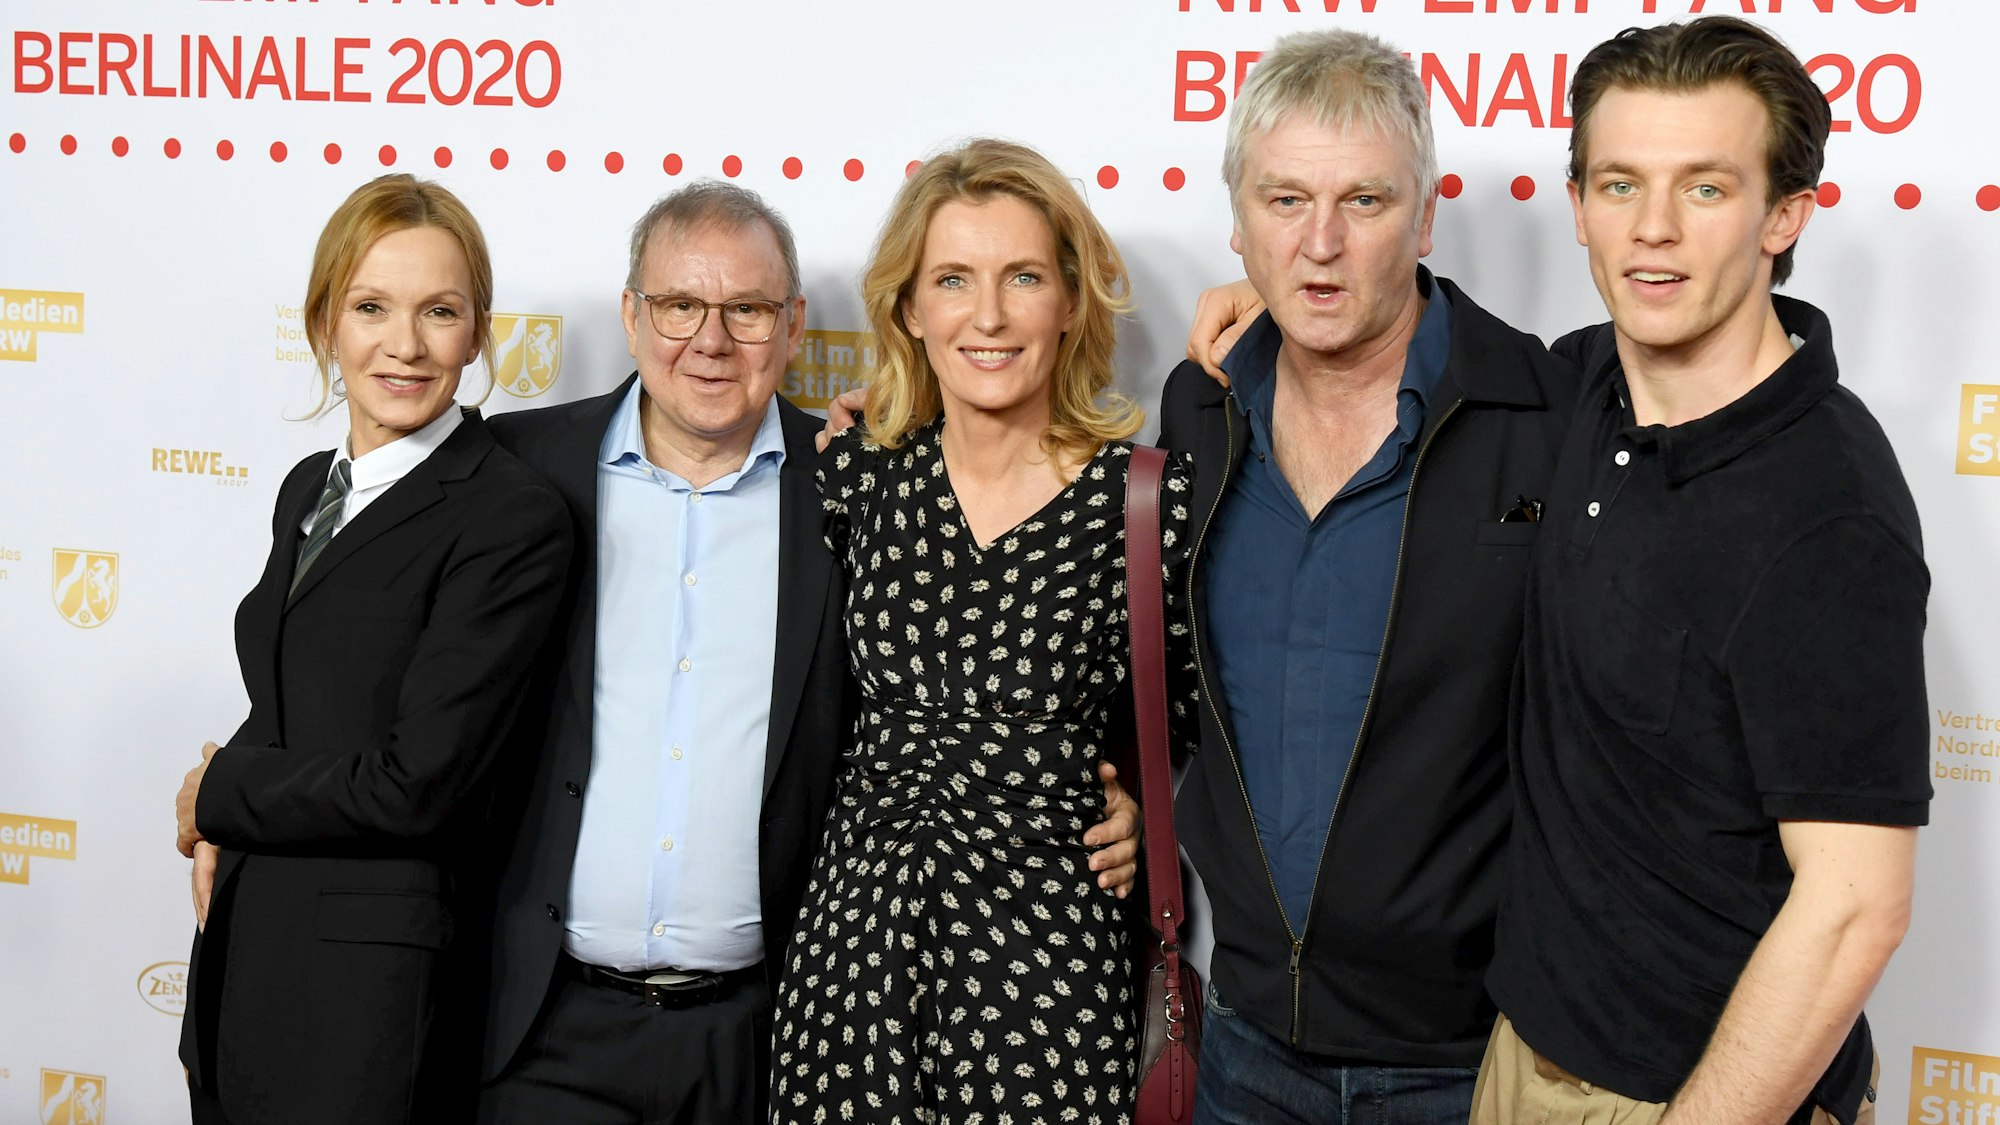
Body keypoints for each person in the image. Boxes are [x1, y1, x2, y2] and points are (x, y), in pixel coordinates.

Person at [476, 180, 1142, 1124]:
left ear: (793, 326)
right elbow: (392, 646)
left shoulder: (848, 478)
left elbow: (1059, 676)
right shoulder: (520, 466)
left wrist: (1136, 804)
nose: (710, 340)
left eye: (745, 309)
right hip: (549, 1025)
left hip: (775, 1022)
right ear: (631, 316)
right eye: (678, 306)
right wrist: (249, 777)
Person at [1474, 18, 1928, 1125]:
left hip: (1701, 1095)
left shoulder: (1826, 511)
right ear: (1576, 203)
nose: (1653, 231)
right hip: (1522, 1056)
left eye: (1705, 189)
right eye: (1620, 184)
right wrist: (1267, 326)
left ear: (1783, 216)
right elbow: (1395, 338)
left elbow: (1853, 907)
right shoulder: (1579, 388)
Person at [1156, 29, 1576, 1125]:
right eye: (1283, 201)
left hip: (1467, 1064)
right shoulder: (1197, 409)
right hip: (1242, 1045)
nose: (1320, 245)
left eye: (1364, 202)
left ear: (1426, 216)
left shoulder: (1545, 416)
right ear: (1236, 221)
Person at [770, 138, 1197, 1124]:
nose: (989, 315)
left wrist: (1147, 813)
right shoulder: (856, 478)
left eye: (1023, 277)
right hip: (853, 964)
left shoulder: (1144, 501)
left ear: (1069, 302)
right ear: (909, 311)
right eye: (952, 280)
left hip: (1046, 971)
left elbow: (1205, 726)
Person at [172, 173, 575, 1125]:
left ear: (479, 333)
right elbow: (298, 692)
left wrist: (219, 794)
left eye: (440, 311)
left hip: (366, 999)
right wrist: (231, 810)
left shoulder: (509, 518)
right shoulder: (309, 484)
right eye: (371, 307)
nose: (405, 345)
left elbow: (419, 782)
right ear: (324, 323)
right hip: (242, 951)